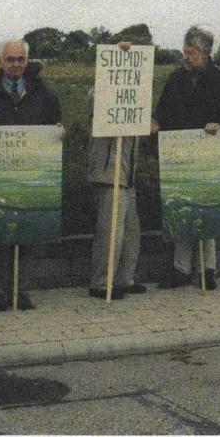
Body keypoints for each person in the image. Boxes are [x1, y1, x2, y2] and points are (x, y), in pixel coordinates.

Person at [0, 40, 62, 310]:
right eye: (10, 59)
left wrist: (58, 134)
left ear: (27, 61)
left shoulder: (43, 93)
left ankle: (20, 289)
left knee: (25, 232)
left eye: (20, 59)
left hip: (30, 172)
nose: (16, 64)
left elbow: (55, 123)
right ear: (0, 60)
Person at [153, 26, 220, 290]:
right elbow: (163, 113)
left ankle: (208, 269)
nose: (186, 57)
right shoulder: (175, 79)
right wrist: (156, 125)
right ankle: (180, 269)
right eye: (184, 52)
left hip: (210, 155)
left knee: (208, 209)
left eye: (191, 52)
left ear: (205, 53)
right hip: (180, 156)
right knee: (180, 209)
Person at [87, 42, 147, 300]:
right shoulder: (99, 94)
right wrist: (116, 54)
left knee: (131, 230)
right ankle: (101, 282)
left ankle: (124, 278)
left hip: (128, 175)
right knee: (111, 231)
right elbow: (94, 100)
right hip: (109, 174)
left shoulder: (136, 98)